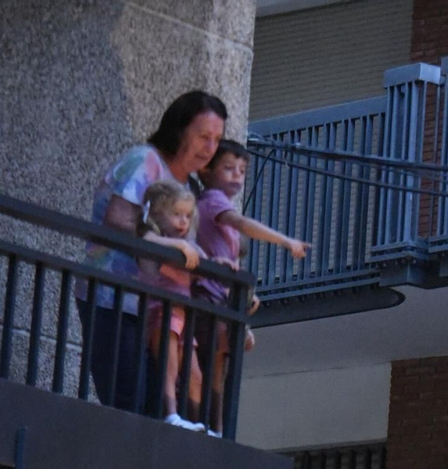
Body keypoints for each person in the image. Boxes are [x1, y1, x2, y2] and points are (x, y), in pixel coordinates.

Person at [79, 91, 225, 415]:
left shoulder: (190, 188)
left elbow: (190, 250)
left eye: (217, 139)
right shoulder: (145, 160)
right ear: (178, 130)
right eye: (203, 136)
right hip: (116, 297)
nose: (210, 147)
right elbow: (117, 220)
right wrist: (166, 246)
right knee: (130, 400)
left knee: (159, 406)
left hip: (162, 310)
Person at [191, 140, 310, 432]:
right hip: (207, 297)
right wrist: (285, 241)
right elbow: (241, 223)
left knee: (216, 368)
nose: (237, 176)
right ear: (206, 169)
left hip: (219, 298)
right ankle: (212, 427)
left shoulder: (211, 203)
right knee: (214, 369)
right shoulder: (213, 201)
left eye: (242, 171)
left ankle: (212, 427)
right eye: (229, 168)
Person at [136, 180, 208, 431]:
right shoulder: (154, 237)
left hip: (181, 314)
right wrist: (180, 245)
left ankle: (197, 420)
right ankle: (171, 414)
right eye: (176, 214)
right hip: (161, 310)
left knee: (194, 373)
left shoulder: (189, 247)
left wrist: (220, 262)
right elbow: (148, 241)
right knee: (169, 366)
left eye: (187, 216)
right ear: (158, 214)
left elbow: (206, 263)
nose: (183, 222)